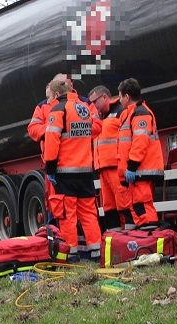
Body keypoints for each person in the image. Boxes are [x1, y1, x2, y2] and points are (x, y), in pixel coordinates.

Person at [43, 79, 102, 261]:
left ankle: (71, 254)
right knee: (89, 214)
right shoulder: (83, 108)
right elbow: (93, 131)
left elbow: (52, 140)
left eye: (49, 97)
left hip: (66, 171)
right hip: (85, 169)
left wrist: (50, 168)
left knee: (67, 216)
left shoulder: (58, 109)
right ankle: (96, 251)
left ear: (55, 94)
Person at [116, 78, 164, 227]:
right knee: (140, 206)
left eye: (120, 96)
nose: (119, 100)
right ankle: (148, 239)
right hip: (138, 170)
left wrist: (131, 166)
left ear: (127, 96)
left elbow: (140, 142)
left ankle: (151, 239)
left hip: (141, 169)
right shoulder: (132, 113)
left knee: (142, 205)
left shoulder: (140, 113)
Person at [88, 85, 133, 230]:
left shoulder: (120, 111)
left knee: (124, 202)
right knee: (108, 206)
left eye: (95, 101)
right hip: (102, 168)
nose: (93, 105)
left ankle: (132, 238)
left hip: (116, 166)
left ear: (105, 97)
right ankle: (115, 239)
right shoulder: (97, 117)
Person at [28, 74, 70, 224]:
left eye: (49, 96)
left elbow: (94, 126)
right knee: (54, 203)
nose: (48, 100)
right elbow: (33, 129)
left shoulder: (80, 103)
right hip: (53, 162)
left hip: (70, 162)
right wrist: (50, 130)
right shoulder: (42, 106)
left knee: (68, 207)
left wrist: (54, 129)